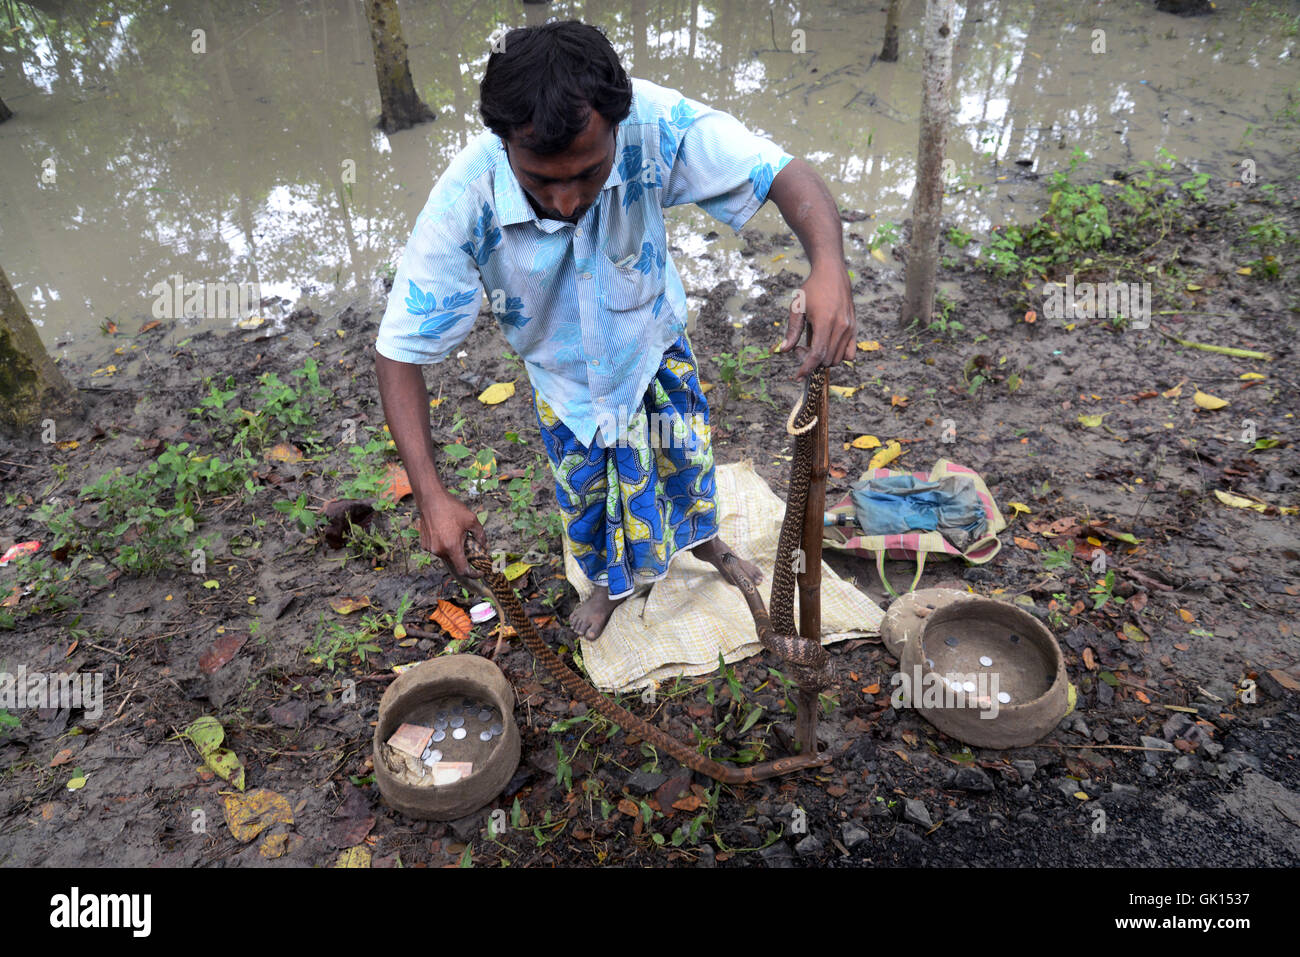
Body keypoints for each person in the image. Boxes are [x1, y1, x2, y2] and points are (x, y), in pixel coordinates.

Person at [374, 20, 855, 641]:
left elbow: (782, 172)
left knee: (686, 464)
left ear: (617, 130)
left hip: (654, 347)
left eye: (589, 172)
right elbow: (398, 352)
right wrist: (430, 493)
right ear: (504, 142)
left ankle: (706, 545)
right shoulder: (465, 199)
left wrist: (828, 266)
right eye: (543, 179)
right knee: (588, 500)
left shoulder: (655, 125)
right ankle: (605, 585)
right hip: (565, 382)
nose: (569, 200)